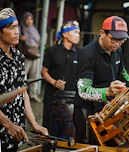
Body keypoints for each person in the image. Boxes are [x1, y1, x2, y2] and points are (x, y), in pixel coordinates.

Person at [73, 15, 129, 144]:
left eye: (121, 40)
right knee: (88, 146)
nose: (117, 43)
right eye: (113, 39)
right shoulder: (87, 54)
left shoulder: (118, 50)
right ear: (102, 33)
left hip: (107, 109)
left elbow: (123, 75)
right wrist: (108, 92)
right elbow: (83, 90)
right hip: (87, 110)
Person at [0, 8, 48, 152]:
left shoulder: (19, 57)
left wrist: (34, 124)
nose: (17, 32)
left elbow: (23, 93)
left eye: (17, 27)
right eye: (11, 28)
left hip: (16, 132)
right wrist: (8, 125)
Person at [41, 20, 81, 139]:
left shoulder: (81, 53)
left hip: (72, 101)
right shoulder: (52, 51)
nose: (78, 35)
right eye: (75, 32)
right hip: (52, 98)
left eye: (79, 33)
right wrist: (54, 82)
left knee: (69, 135)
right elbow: (44, 71)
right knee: (48, 133)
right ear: (64, 34)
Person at [19, 12, 41, 102]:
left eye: (31, 19)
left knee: (35, 74)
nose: (29, 21)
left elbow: (39, 40)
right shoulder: (21, 28)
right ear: (24, 20)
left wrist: (37, 45)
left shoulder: (34, 29)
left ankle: (33, 94)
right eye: (27, 19)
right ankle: (20, 93)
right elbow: (17, 39)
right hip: (26, 54)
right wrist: (21, 38)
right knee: (23, 74)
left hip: (35, 54)